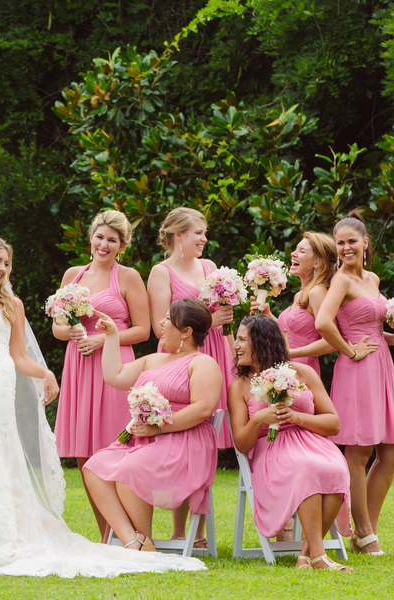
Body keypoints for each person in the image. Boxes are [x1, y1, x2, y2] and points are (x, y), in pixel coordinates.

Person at [0, 237, 205, 576]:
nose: (1, 268)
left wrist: (44, 372)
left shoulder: (13, 304)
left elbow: (17, 357)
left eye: (6, 263)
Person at [83, 299, 221, 552]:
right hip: (145, 440)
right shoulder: (154, 359)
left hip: (185, 441)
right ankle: (135, 541)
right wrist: (112, 335)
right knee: (94, 467)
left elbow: (203, 408)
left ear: (186, 331)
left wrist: (158, 428)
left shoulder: (203, 363)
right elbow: (114, 375)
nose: (161, 323)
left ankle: (141, 538)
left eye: (168, 318)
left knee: (130, 468)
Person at [315, 210, 394, 556]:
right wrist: (349, 351)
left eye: (351, 241)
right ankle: (365, 533)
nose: (345, 248)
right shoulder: (341, 280)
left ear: (365, 243)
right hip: (357, 367)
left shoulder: (372, 279)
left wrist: (392, 337)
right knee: (359, 450)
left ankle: (365, 527)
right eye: (340, 243)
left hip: (381, 362)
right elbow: (325, 323)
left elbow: (368, 321)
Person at [52, 211, 151, 541]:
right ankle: (104, 534)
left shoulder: (129, 277)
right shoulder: (73, 275)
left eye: (112, 239)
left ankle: (133, 532)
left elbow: (143, 330)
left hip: (115, 365)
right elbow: (56, 327)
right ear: (90, 238)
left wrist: (104, 338)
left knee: (117, 444)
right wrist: (74, 332)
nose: (104, 244)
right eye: (100, 237)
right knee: (86, 452)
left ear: (122, 245)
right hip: (79, 364)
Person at [228, 315, 353, 571]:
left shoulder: (302, 372)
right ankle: (318, 556)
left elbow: (333, 423)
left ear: (261, 342)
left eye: (242, 340)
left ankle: (308, 555)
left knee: (336, 469)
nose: (235, 346)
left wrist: (296, 417)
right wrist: (258, 420)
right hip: (271, 448)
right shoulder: (239, 387)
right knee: (305, 467)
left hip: (312, 443)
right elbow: (241, 443)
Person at [145, 207, 233, 543]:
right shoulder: (161, 272)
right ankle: (180, 530)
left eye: (204, 232)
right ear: (178, 236)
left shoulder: (209, 268)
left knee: (207, 441)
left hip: (214, 355)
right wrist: (211, 315)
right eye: (198, 232)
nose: (204, 239)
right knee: (183, 439)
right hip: (178, 359)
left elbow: (222, 317)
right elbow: (159, 326)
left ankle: (199, 530)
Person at [250, 232, 376, 375]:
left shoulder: (317, 293)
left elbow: (330, 342)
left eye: (302, 251)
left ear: (317, 262)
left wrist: (290, 353)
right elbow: (291, 333)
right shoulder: (300, 294)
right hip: (284, 366)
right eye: (296, 249)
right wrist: (268, 315)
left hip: (302, 368)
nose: (293, 254)